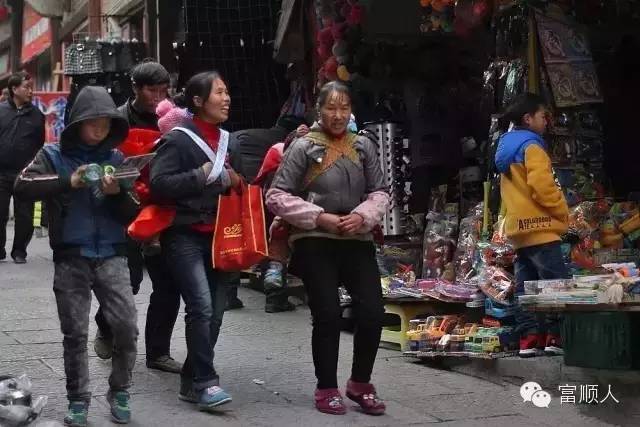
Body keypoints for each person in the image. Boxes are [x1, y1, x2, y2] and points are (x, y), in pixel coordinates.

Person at [14, 86, 139, 426]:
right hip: (71, 256)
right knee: (75, 333)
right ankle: (79, 399)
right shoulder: (53, 155)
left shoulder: (116, 159)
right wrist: (69, 181)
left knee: (126, 325)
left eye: (105, 124)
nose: (99, 130)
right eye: (92, 123)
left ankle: (121, 390)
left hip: (112, 254)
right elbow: (22, 186)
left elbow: (132, 213)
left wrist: (116, 194)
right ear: (77, 123)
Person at [266, 81, 389, 416]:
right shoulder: (303, 146)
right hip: (314, 240)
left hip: (356, 239)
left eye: (344, 107)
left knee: (372, 312)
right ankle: (326, 387)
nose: (338, 115)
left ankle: (360, 383)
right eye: (331, 108)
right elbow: (276, 196)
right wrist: (319, 218)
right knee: (328, 314)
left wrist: (362, 217)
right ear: (318, 110)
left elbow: (380, 191)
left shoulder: (363, 145)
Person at [150, 71, 242, 411]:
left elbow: (240, 183)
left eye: (227, 91)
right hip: (184, 234)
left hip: (222, 237)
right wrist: (201, 175)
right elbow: (159, 184)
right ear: (198, 101)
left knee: (215, 313)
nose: (227, 98)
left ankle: (191, 380)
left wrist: (235, 179)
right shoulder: (178, 139)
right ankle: (206, 382)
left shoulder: (229, 141)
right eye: (219, 92)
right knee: (200, 306)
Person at [94, 61, 184, 374]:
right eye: (151, 90)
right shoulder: (117, 120)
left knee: (168, 282)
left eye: (163, 90)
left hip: (161, 207)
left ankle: (158, 352)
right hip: (124, 209)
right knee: (127, 281)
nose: (158, 97)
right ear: (135, 88)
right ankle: (105, 323)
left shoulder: (174, 118)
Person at [495, 92, 569, 357]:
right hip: (541, 228)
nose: (546, 122)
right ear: (528, 118)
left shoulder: (506, 148)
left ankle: (528, 339)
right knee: (555, 285)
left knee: (527, 288)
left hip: (519, 230)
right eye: (542, 116)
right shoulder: (532, 147)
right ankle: (555, 337)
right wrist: (563, 212)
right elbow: (543, 189)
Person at [253, 123, 310, 313]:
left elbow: (264, 184)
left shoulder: (277, 151)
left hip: (277, 208)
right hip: (303, 208)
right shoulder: (315, 150)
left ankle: (274, 297)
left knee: (278, 244)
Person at [0, 72, 45, 263]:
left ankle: (20, 251)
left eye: (31, 87)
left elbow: (39, 143)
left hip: (25, 174)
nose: (30, 91)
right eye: (26, 87)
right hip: (1, 172)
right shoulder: (1, 110)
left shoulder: (37, 116)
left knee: (25, 214)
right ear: (14, 89)